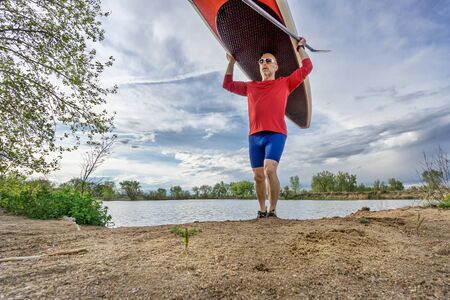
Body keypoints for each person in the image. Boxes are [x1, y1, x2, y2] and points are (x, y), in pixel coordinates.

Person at [222, 37, 313, 218]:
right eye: (261, 61)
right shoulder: (251, 87)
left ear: (275, 66)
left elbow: (307, 67)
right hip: (255, 136)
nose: (264, 63)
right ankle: (261, 211)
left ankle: (272, 211)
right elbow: (227, 84)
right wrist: (231, 63)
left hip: (276, 134)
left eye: (268, 61)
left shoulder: (285, 83)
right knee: (258, 176)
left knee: (270, 169)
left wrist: (300, 47)